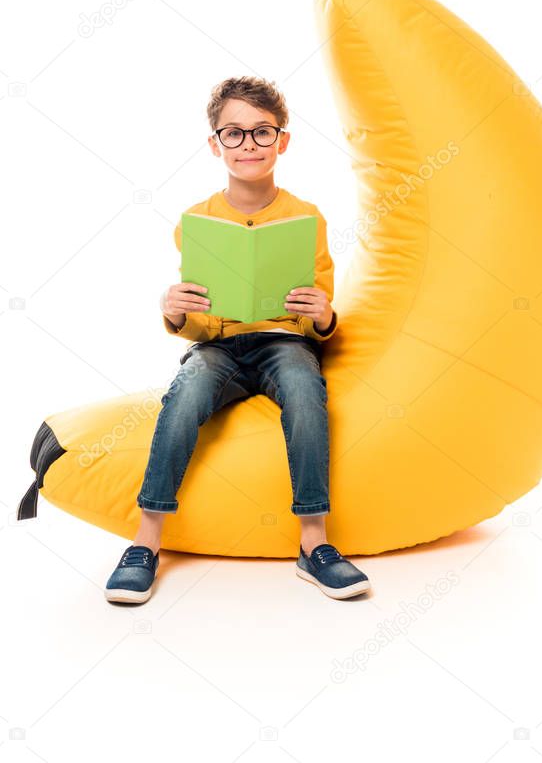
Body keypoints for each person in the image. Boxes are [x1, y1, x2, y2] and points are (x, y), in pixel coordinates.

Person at [104, 75, 370, 603]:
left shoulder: (306, 217)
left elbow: (317, 311)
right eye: (234, 133)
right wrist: (176, 313)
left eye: (262, 132)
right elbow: (201, 321)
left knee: (304, 390)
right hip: (218, 346)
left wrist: (322, 316)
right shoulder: (198, 221)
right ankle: (146, 541)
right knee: (185, 393)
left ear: (283, 140)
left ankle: (314, 544)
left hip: (283, 342)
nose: (248, 144)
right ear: (214, 143)